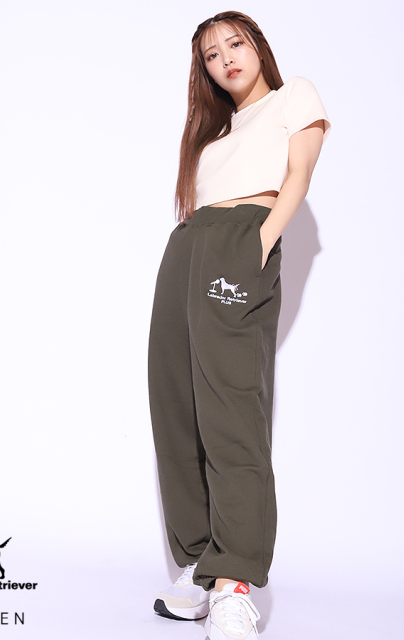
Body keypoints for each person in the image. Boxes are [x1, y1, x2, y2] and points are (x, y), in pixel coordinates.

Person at [148, 10, 331, 639]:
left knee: (231, 411)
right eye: (211, 54)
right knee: (177, 406)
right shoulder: (215, 132)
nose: (225, 58)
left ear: (258, 47)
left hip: (241, 239)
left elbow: (299, 175)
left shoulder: (293, 95)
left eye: (235, 43)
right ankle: (201, 563)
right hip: (189, 246)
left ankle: (235, 581)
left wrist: (260, 243)